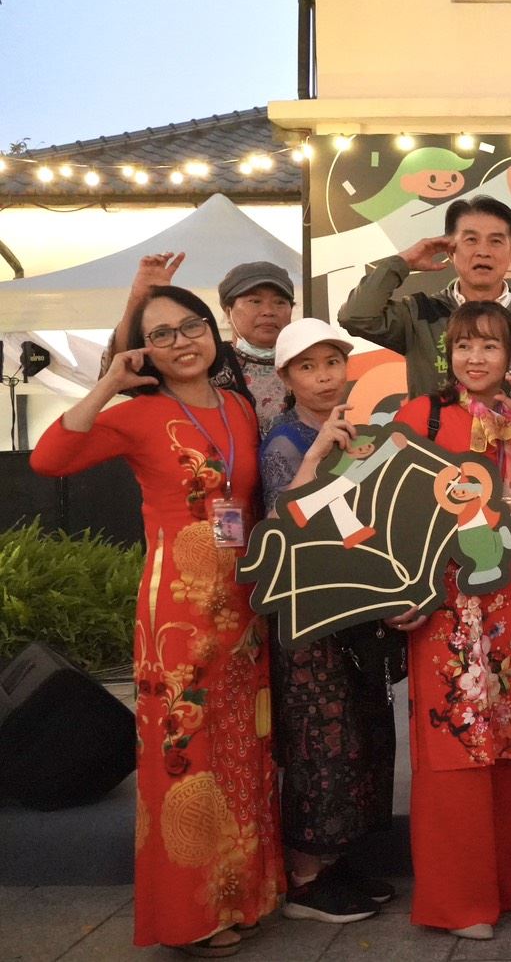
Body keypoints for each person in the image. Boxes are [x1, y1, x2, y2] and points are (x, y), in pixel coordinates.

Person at [32, 285, 284, 956]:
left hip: (244, 604)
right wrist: (109, 383)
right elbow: (48, 459)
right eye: (162, 334)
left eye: (190, 326)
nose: (182, 342)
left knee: (241, 749)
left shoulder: (237, 405)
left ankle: (240, 894)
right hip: (177, 610)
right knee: (186, 752)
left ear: (212, 330)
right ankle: (190, 914)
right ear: (144, 350)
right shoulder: (136, 414)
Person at [383, 302, 511, 941]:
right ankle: (457, 900)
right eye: (464, 345)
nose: (475, 357)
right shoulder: (423, 415)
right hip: (442, 599)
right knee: (453, 737)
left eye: (490, 346)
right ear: (448, 353)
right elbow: (386, 506)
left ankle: (503, 885)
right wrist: (398, 593)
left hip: (508, 598)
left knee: (507, 738)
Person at [258, 318, 399, 924]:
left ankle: (336, 862)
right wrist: (318, 456)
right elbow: (285, 527)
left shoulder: (357, 432)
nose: (323, 376)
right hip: (308, 613)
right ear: (286, 377)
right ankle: (304, 877)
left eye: (332, 363)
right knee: (320, 742)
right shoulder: (285, 441)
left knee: (360, 735)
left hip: (354, 608)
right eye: (308, 367)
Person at [337, 194, 511, 399]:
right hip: (433, 437)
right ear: (450, 251)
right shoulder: (420, 314)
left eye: (495, 241)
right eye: (471, 240)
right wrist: (403, 262)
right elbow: (355, 317)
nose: (483, 251)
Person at [107, 255, 296, 433]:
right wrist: (138, 300)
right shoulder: (204, 359)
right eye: (255, 301)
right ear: (227, 310)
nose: (268, 311)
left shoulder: (303, 360)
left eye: (280, 302)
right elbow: (125, 371)